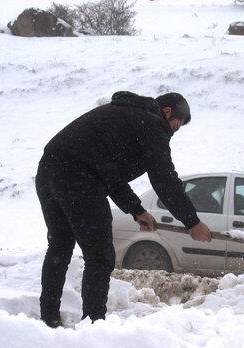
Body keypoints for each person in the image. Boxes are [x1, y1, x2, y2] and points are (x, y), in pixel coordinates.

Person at [35, 91, 212, 327]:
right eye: (176, 123)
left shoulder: (125, 116)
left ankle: (48, 318)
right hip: (78, 176)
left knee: (60, 244)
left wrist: (137, 210)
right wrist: (192, 222)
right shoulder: (152, 124)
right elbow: (164, 179)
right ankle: (94, 326)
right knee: (100, 256)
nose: (175, 130)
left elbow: (108, 173)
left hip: (50, 167)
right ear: (167, 111)